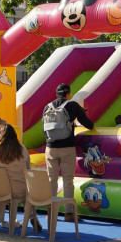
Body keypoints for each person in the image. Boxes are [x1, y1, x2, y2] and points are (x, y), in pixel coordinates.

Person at [44, 83, 94, 222]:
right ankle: (68, 213)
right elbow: (89, 124)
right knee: (67, 180)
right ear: (68, 94)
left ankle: (50, 211)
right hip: (67, 147)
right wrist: (79, 114)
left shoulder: (47, 107)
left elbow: (44, 130)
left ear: (56, 94)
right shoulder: (73, 105)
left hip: (50, 148)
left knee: (51, 180)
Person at [0, 124, 41, 231]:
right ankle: (32, 216)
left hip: (2, 190)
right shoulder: (23, 149)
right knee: (25, 187)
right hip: (22, 190)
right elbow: (28, 167)